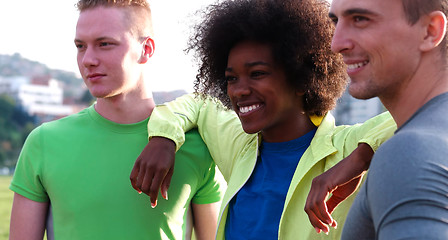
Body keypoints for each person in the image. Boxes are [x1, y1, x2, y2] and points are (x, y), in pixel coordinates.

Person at [130, 0, 396, 239]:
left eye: (257, 73)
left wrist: (360, 158)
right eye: (231, 78)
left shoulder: (346, 147)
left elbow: (424, 113)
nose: (239, 90)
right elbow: (197, 104)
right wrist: (164, 138)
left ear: (301, 79)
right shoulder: (238, 143)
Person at [8, 0, 225, 239]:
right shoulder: (44, 143)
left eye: (104, 44)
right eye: (81, 46)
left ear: (147, 49)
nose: (88, 59)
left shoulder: (195, 146)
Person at [305, 0, 448, 239]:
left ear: (430, 31)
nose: (336, 44)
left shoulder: (410, 154)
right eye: (335, 21)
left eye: (360, 19)